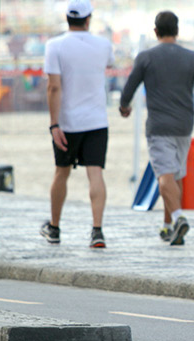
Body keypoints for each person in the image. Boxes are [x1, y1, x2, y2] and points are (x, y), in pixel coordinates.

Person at [119, 11, 194, 246]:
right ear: (177, 31)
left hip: (159, 127)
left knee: (164, 175)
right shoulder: (193, 58)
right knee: (176, 174)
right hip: (184, 126)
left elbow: (130, 87)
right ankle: (168, 227)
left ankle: (177, 218)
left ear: (156, 31)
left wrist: (124, 107)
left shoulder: (146, 57)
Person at [41, 0, 114, 248]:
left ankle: (55, 227)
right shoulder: (103, 45)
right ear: (88, 19)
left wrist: (54, 124)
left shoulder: (54, 46)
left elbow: (53, 87)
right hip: (96, 120)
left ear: (67, 18)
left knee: (61, 172)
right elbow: (108, 63)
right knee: (95, 173)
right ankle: (97, 231)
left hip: (67, 122)